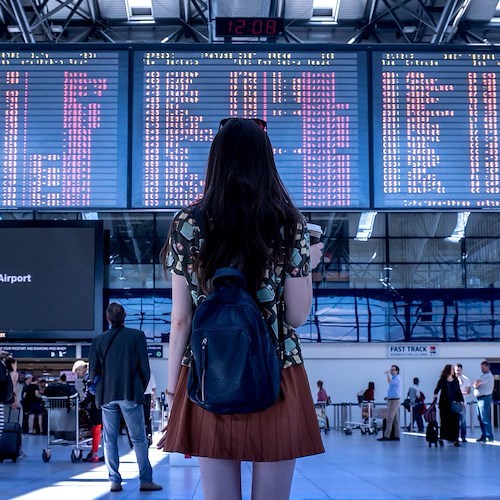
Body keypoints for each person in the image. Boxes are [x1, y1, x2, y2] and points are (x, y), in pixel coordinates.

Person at [159, 117, 325, 500]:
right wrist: (306, 267)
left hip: (208, 372)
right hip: (277, 373)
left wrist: (172, 391)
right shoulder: (289, 224)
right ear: (266, 161)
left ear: (215, 160)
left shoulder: (188, 223)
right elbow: (298, 317)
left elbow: (181, 318)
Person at [89, 303, 162, 493]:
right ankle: (146, 480)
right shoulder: (136, 336)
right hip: (130, 393)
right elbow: (145, 368)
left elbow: (92, 372)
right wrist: (139, 387)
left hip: (107, 395)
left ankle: (114, 481)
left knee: (110, 439)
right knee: (139, 439)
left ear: (107, 318)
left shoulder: (98, 340)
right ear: (125, 316)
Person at [72, 359, 103, 463]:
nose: (77, 373)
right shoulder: (95, 373)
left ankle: (94, 454)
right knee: (100, 429)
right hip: (102, 403)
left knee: (96, 428)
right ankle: (96, 452)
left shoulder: (90, 376)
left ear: (83, 368)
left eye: (77, 370)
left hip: (97, 405)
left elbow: (91, 392)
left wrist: (83, 404)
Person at [433, 364, 464, 447]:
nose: (453, 371)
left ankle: (455, 439)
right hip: (444, 404)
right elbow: (437, 389)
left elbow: (458, 391)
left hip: (454, 403)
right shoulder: (442, 380)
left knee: (455, 422)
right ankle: (442, 438)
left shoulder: (455, 380)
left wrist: (462, 401)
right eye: (452, 369)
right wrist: (435, 395)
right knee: (444, 421)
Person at [378, 365, 402, 441]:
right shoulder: (395, 378)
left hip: (394, 401)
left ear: (397, 371)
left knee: (389, 418)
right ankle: (397, 436)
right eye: (391, 369)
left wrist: (388, 374)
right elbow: (394, 391)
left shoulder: (397, 378)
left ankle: (386, 436)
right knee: (395, 419)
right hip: (392, 400)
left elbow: (390, 382)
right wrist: (388, 397)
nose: (391, 371)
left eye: (393, 370)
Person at [472, 360, 494, 443]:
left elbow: (477, 383)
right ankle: (484, 436)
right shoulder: (483, 375)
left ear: (487, 367)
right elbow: (476, 382)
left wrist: (475, 384)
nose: (481, 369)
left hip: (485, 398)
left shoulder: (488, 376)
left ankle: (489, 436)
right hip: (480, 399)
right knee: (480, 418)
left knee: (484, 418)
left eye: (483, 367)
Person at [454, 364, 471, 443]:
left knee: (463, 421)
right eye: (456, 370)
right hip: (454, 403)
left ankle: (463, 437)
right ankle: (454, 437)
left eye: (459, 370)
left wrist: (462, 393)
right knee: (453, 420)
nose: (458, 372)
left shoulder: (465, 379)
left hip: (462, 402)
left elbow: (469, 390)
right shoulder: (452, 379)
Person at [143, 373, 157, 446]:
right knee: (147, 418)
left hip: (137, 397)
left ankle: (142, 436)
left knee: (138, 418)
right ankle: (148, 435)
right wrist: (153, 401)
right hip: (147, 397)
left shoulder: (134, 371)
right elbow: (153, 389)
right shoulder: (150, 374)